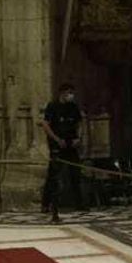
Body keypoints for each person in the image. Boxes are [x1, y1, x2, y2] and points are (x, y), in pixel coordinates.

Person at [40, 83, 84, 221]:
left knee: (75, 173)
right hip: (57, 144)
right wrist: (57, 139)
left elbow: (80, 123)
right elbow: (45, 124)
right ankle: (46, 204)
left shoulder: (73, 107)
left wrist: (79, 138)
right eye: (69, 92)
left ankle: (80, 203)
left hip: (71, 143)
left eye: (72, 92)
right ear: (62, 93)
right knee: (53, 174)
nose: (71, 95)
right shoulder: (52, 106)